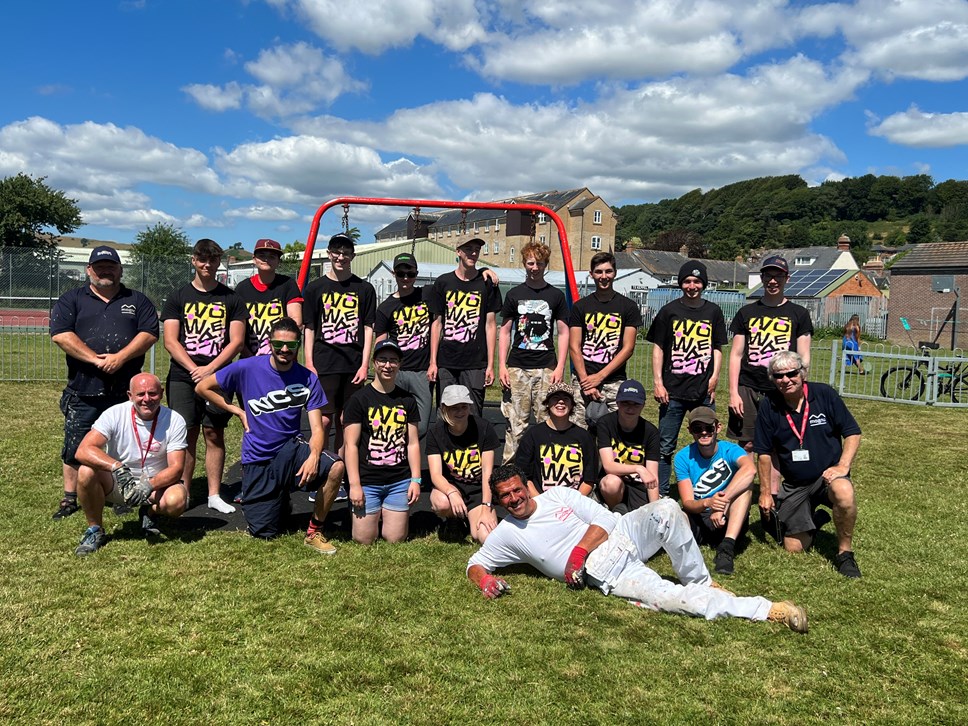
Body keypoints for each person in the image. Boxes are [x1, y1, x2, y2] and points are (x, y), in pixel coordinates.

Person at [465, 463, 808, 633]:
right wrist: (484, 581)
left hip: (620, 534)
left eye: (516, 490)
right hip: (608, 570)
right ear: (498, 501)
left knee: (667, 509)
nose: (514, 499)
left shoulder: (558, 495)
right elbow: (475, 563)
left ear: (527, 486)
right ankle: (769, 609)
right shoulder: (508, 532)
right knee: (674, 600)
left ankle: (703, 581)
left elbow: (607, 519)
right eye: (505, 497)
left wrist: (577, 553)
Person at [196, 317, 345, 552]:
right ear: (269, 342)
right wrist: (236, 410)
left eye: (291, 345)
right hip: (258, 458)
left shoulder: (307, 378)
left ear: (298, 345)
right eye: (278, 344)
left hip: (289, 448)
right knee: (264, 531)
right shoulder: (247, 367)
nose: (284, 349)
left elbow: (317, 429)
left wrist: (314, 455)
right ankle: (278, 496)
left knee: (336, 467)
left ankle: (314, 531)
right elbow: (202, 387)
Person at [49, 245, 159, 520]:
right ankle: (70, 497)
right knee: (76, 443)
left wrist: (120, 358)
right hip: (83, 388)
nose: (105, 271)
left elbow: (149, 334)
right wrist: (96, 360)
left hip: (125, 391)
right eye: (100, 267)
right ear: (89, 270)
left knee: (126, 444)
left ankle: (122, 494)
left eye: (111, 266)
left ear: (120, 270)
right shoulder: (72, 299)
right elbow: (61, 335)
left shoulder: (137, 300)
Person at [753, 351, 863, 578]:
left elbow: (852, 433)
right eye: (779, 376)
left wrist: (843, 466)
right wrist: (765, 492)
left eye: (791, 373)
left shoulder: (824, 394)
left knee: (844, 491)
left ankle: (845, 554)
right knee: (793, 548)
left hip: (827, 477)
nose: (786, 380)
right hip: (795, 484)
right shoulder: (769, 405)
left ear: (802, 373)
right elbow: (763, 454)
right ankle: (815, 519)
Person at [161, 238, 246, 514]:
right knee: (186, 433)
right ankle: (183, 490)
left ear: (218, 262)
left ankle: (213, 494)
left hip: (219, 375)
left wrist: (210, 369)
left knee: (214, 432)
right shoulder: (178, 296)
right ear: (194, 261)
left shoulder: (231, 298)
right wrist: (193, 368)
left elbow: (236, 342)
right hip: (183, 375)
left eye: (212, 259)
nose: (207, 264)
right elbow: (171, 341)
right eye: (202, 259)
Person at [73, 373, 188, 556]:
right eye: (140, 394)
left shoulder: (174, 420)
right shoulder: (114, 414)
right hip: (118, 481)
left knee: (178, 501)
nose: (147, 399)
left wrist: (148, 485)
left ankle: (149, 514)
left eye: (153, 393)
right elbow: (83, 450)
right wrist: (117, 467)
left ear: (162, 393)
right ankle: (95, 530)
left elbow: (176, 468)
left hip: (155, 485)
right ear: (130, 395)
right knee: (86, 472)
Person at [646, 260, 728, 495]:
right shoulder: (669, 311)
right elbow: (659, 347)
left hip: (703, 390)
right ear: (681, 283)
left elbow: (718, 347)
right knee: (665, 445)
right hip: (672, 391)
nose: (692, 286)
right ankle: (662, 491)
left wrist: (715, 377)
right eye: (688, 281)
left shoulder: (713, 311)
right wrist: (658, 382)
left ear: (704, 284)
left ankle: (707, 488)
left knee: (708, 442)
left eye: (697, 281)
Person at [727, 255, 813, 454]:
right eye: (768, 275)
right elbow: (736, 355)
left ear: (787, 279)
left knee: (777, 444)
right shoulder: (746, 312)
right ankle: (746, 486)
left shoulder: (799, 314)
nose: (773, 281)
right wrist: (733, 392)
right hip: (748, 385)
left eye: (778, 276)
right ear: (762, 277)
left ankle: (771, 487)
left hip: (782, 386)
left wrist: (799, 387)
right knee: (747, 444)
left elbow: (804, 356)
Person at [302, 233, 377, 453]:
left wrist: (365, 365)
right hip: (324, 363)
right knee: (323, 421)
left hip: (353, 364)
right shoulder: (316, 289)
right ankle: (318, 464)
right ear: (329, 254)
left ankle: (340, 468)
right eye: (336, 252)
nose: (341, 257)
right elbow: (309, 327)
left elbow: (368, 328)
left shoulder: (364, 289)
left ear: (352, 256)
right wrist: (309, 362)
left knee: (347, 421)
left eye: (345, 253)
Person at [342, 340, 421, 545]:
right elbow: (350, 445)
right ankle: (372, 512)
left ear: (400, 364)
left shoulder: (408, 400)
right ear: (374, 363)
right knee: (363, 539)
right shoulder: (359, 399)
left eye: (393, 360)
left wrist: (416, 479)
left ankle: (387, 511)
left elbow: (412, 443)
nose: (388, 365)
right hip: (368, 479)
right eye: (383, 360)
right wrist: (354, 485)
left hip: (398, 480)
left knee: (395, 538)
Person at [498, 241, 570, 462]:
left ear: (546, 265)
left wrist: (560, 367)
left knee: (546, 421)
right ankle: (510, 471)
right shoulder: (514, 294)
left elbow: (564, 332)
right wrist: (502, 365)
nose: (535, 267)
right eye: (531, 263)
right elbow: (505, 331)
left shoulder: (555, 296)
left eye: (539, 263)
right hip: (518, 365)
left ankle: (543, 468)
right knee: (515, 423)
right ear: (524, 264)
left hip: (546, 366)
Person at [674, 407, 754, 576]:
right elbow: (688, 503)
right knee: (674, 514)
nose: (703, 433)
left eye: (709, 428)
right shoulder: (682, 457)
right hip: (701, 516)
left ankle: (727, 547)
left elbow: (750, 470)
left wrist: (721, 504)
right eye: (697, 429)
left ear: (718, 428)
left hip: (728, 516)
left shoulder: (730, 450)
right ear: (690, 431)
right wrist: (708, 503)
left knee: (746, 489)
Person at [428, 237, 502, 416]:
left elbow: (491, 325)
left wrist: (491, 365)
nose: (473, 253)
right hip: (447, 360)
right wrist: (433, 362)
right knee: (446, 413)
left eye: (477, 249)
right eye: (468, 249)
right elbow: (436, 324)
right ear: (458, 251)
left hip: (475, 362)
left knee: (473, 414)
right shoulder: (443, 282)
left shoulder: (487, 283)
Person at [569, 251, 642, 428]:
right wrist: (587, 381)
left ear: (615, 273)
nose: (604, 276)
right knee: (579, 434)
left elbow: (628, 348)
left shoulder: (628, 307)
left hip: (613, 381)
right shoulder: (581, 306)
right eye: (599, 272)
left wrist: (600, 377)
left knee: (611, 435)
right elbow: (574, 346)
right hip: (583, 379)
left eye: (608, 271)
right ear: (591, 274)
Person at [426, 384, 500, 544]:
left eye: (463, 407)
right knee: (441, 502)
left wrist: (486, 506)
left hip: (477, 491)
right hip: (452, 488)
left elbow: (488, 472)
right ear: (444, 408)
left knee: (485, 537)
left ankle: (471, 517)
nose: (460, 412)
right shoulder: (435, 433)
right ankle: (454, 519)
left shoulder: (484, 428)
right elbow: (436, 475)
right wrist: (451, 492)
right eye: (454, 408)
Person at [374, 253, 434, 437]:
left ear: (416, 273)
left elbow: (459, 281)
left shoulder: (428, 294)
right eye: (401, 273)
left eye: (410, 273)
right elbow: (380, 342)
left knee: (421, 426)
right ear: (394, 274)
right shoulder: (386, 307)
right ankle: (396, 462)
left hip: (422, 372)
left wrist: (484, 271)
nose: (406, 278)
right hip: (396, 371)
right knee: (393, 422)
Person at [514, 382, 597, 496]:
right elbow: (523, 476)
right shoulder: (533, 435)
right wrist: (542, 503)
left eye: (566, 398)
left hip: (575, 503)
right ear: (547, 403)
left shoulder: (583, 437)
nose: (561, 402)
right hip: (542, 501)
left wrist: (575, 502)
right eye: (556, 398)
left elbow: (589, 479)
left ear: (572, 405)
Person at [596, 379, 660, 513]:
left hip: (638, 484)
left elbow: (652, 477)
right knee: (611, 483)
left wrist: (654, 509)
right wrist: (638, 468)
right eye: (625, 403)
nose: (630, 408)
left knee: (647, 515)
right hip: (614, 482)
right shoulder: (605, 423)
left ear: (643, 405)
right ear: (617, 402)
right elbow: (608, 466)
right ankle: (616, 512)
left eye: (636, 404)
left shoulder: (651, 432)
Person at [233, 238, 303, 357]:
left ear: (278, 261)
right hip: (249, 358)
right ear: (254, 259)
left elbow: (296, 321)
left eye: (272, 256)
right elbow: (236, 330)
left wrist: (280, 351)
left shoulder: (288, 284)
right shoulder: (242, 288)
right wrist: (251, 358)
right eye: (262, 256)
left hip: (281, 357)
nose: (266, 259)